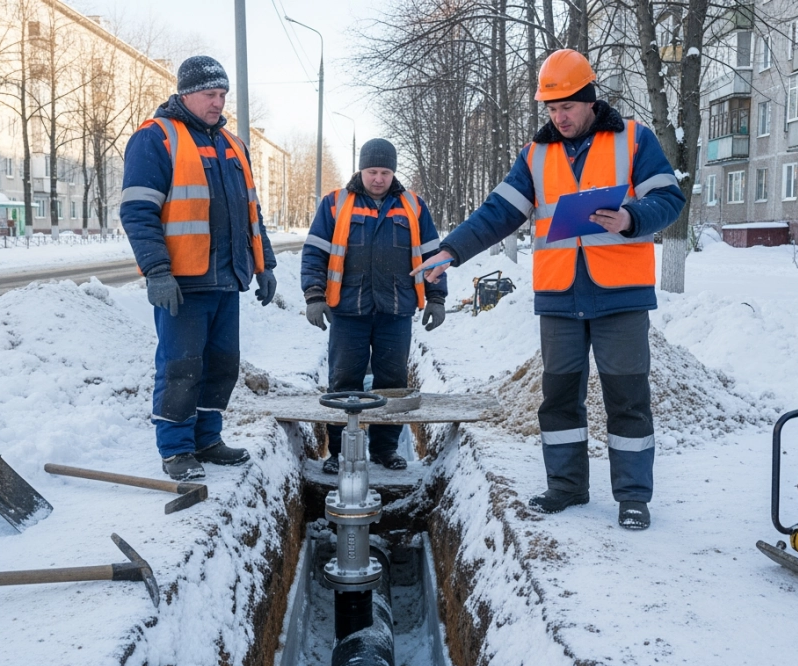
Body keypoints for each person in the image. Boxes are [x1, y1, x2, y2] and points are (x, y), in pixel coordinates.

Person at [419, 49, 684, 530]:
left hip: (620, 293)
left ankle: (632, 496)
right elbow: (498, 213)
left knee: (627, 397)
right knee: (559, 395)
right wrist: (452, 250)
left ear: (589, 100)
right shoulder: (536, 155)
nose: (559, 117)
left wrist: (630, 218)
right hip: (561, 295)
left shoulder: (634, 139)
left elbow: (669, 199)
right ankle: (566, 486)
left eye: (567, 107)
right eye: (551, 109)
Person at [120, 55, 278, 481]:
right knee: (181, 366)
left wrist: (264, 263)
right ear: (187, 93)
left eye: (223, 94)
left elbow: (251, 211)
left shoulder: (233, 145)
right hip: (183, 282)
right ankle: (175, 449)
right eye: (211, 94)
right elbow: (137, 211)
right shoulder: (156, 138)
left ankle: (208, 439)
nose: (218, 102)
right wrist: (156, 270)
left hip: (227, 278)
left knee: (222, 364)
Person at [301, 138, 448, 475]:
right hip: (348, 310)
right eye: (372, 171)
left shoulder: (413, 205)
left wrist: (437, 297)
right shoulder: (336, 203)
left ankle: (385, 449)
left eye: (384, 172)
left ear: (393, 172)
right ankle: (338, 451)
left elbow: (432, 257)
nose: (378, 178)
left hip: (395, 310)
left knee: (391, 381)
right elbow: (315, 253)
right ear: (361, 170)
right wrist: (314, 295)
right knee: (344, 382)